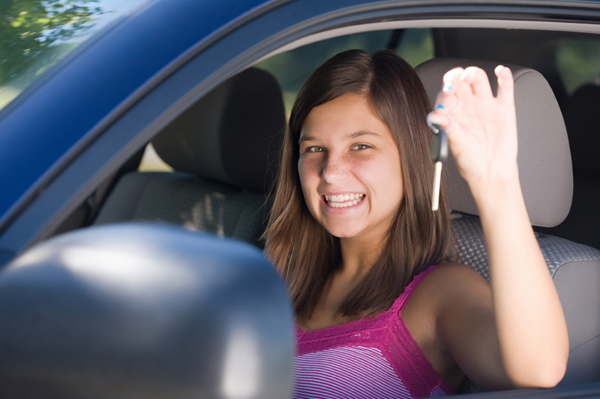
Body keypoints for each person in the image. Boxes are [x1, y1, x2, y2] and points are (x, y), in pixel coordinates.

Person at [263, 49, 568, 398]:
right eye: (314, 149)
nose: (331, 172)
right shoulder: (280, 276)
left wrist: (495, 183)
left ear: (411, 157)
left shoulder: (440, 294)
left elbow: (537, 370)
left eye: (360, 146)